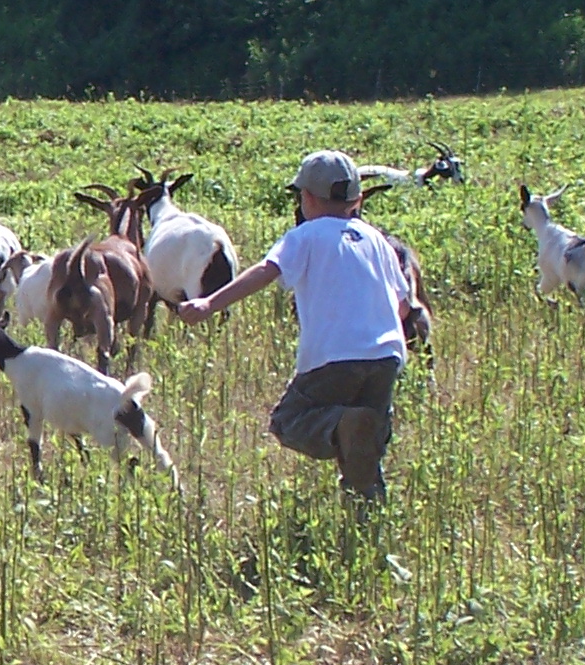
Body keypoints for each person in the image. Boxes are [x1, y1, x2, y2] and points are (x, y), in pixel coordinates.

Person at [173, 150, 410, 499]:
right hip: (386, 355)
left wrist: (210, 303)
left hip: (334, 356)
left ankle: (342, 426)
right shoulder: (376, 240)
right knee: (367, 439)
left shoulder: (306, 235)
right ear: (357, 199)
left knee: (291, 421)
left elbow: (266, 271)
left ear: (307, 198)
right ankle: (368, 507)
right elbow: (403, 304)